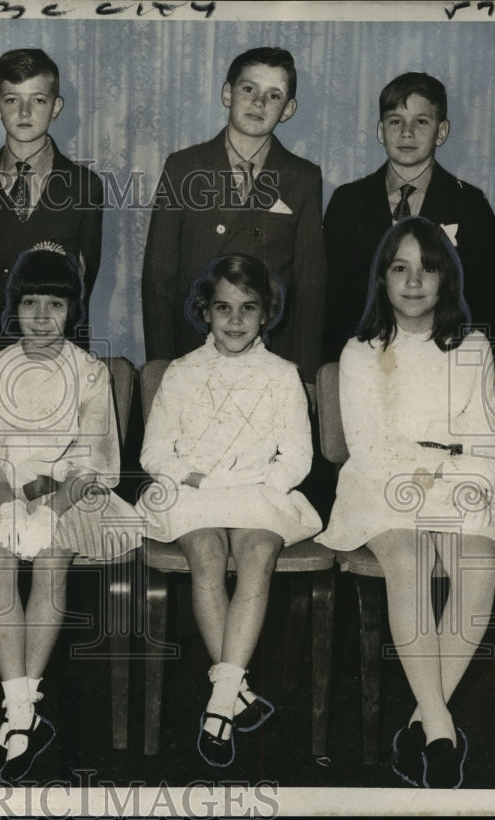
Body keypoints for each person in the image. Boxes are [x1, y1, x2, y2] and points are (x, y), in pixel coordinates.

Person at [317, 216, 495, 789]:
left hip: (458, 481)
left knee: (479, 558)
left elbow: (488, 439)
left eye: (427, 267)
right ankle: (443, 732)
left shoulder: (471, 348)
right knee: (409, 560)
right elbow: (371, 446)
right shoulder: (360, 352)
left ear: (446, 279)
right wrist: (429, 470)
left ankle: (422, 723)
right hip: (383, 488)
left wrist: (465, 478)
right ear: (382, 280)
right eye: (399, 268)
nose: (414, 280)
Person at [0, 242, 142, 783]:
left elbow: (97, 456)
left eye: (54, 306)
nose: (40, 317)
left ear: (71, 312)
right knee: (0, 558)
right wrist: (6, 495)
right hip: (4, 489)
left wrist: (53, 500)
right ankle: (19, 708)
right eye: (30, 303)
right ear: (15, 307)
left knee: (53, 557)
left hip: (70, 491)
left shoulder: (89, 372)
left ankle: (22, 709)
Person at [136, 254, 321, 768]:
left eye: (248, 308)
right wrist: (194, 477)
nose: (235, 320)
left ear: (266, 315)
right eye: (223, 308)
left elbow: (298, 457)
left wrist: (262, 482)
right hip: (196, 493)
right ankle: (231, 696)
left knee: (259, 552)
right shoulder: (181, 372)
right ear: (205, 312)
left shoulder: (282, 375)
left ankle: (221, 699)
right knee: (207, 554)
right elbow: (154, 454)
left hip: (258, 491)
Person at [142, 47, 326, 397]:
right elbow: (158, 279)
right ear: (227, 93)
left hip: (272, 358)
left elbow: (310, 283)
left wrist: (308, 377)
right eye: (248, 89)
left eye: (273, 95)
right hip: (193, 352)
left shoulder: (301, 177)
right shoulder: (184, 167)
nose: (259, 103)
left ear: (288, 109)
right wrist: (161, 366)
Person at [322, 72, 495, 366]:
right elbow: (328, 299)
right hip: (363, 364)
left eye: (421, 121)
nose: (407, 132)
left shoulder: (470, 204)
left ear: (442, 131)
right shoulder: (347, 201)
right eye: (395, 121)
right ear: (380, 131)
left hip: (444, 362)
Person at [0, 48, 103, 382]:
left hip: (60, 353)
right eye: (11, 100)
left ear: (56, 107)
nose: (23, 111)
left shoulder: (85, 186)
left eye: (37, 100)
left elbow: (84, 280)